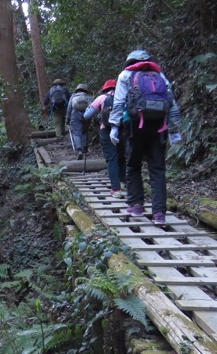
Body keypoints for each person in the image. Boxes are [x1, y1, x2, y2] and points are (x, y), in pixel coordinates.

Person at [108, 50, 182, 225]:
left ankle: (136, 205)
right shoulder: (159, 74)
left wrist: (113, 127)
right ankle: (159, 213)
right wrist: (175, 130)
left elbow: (118, 103)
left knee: (133, 165)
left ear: (129, 61)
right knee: (157, 168)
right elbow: (172, 104)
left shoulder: (125, 75)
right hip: (159, 126)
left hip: (134, 125)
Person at [84, 79, 126, 196]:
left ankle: (116, 190)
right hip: (122, 129)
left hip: (106, 131)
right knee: (121, 157)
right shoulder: (124, 96)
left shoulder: (101, 98)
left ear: (106, 88)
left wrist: (90, 108)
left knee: (111, 158)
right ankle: (123, 182)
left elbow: (87, 116)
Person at [66, 83, 93, 160]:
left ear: (77, 90)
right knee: (85, 131)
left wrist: (67, 119)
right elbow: (93, 107)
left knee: (76, 133)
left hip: (75, 115)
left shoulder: (73, 97)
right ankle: (85, 149)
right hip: (87, 115)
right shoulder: (89, 97)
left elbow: (69, 109)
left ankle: (79, 150)